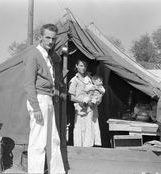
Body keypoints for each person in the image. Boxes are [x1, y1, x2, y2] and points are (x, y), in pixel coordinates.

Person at [24, 24, 65, 174]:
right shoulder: (33, 55)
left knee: (53, 139)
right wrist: (35, 108)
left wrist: (51, 50)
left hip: (48, 99)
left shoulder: (48, 55)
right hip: (38, 99)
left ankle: (57, 171)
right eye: (47, 37)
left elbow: (57, 59)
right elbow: (29, 84)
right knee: (38, 141)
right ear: (40, 37)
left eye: (53, 39)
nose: (50, 41)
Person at [68, 59, 103, 147]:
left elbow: (98, 91)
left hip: (91, 109)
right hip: (80, 109)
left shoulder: (90, 79)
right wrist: (82, 101)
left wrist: (97, 100)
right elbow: (71, 97)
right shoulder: (74, 80)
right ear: (76, 66)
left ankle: (88, 150)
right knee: (80, 131)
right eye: (81, 65)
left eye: (85, 66)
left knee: (90, 131)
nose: (83, 68)